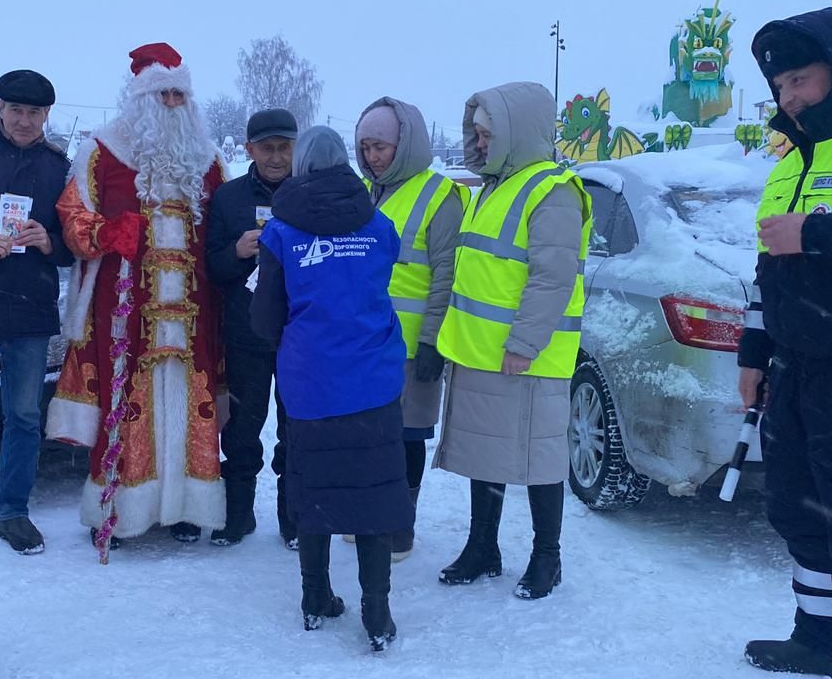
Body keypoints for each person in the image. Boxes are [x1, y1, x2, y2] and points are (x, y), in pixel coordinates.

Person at [736, 7, 832, 679]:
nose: (789, 97)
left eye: (800, 78)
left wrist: (819, 235)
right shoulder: (792, 159)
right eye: (779, 88)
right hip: (798, 372)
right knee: (799, 508)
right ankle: (818, 636)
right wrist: (752, 352)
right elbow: (769, 268)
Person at [46, 43, 227, 551]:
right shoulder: (101, 153)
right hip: (124, 312)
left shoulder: (210, 161)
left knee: (193, 405)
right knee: (126, 404)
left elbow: (223, 231)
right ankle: (119, 510)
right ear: (141, 98)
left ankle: (190, 507)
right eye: (162, 93)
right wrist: (107, 233)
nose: (171, 103)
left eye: (179, 94)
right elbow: (72, 220)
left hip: (195, 315)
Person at [251, 125, 410, 651]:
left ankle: (315, 598)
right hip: (374, 380)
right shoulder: (380, 224)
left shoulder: (280, 232)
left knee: (313, 489)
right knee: (373, 494)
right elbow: (377, 284)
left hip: (312, 382)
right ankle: (378, 612)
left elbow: (265, 316)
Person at [433, 81, 591, 601]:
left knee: (539, 460)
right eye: (475, 134)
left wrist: (523, 343)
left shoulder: (554, 190)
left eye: (487, 134)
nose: (479, 144)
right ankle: (484, 547)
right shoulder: (496, 185)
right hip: (482, 352)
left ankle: (549, 556)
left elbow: (552, 277)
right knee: (487, 455)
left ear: (516, 133)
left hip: (528, 357)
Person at [0, 69, 74, 555]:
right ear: (0, 108)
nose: (25, 120)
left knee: (25, 415)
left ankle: (13, 512)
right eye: (16, 110)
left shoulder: (60, 166)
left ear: (47, 114)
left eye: (34, 112)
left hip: (31, 304)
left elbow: (74, 244)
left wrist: (49, 241)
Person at [354, 97, 465, 561]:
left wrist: (431, 340)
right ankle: (367, 513)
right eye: (366, 148)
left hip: (410, 345)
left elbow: (446, 273)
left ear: (404, 145)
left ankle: (401, 524)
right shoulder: (363, 192)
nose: (373, 157)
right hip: (363, 339)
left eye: (380, 146)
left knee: (406, 435)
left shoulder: (440, 195)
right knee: (367, 433)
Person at [205, 107, 298, 549]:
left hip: (300, 334)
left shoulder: (309, 193)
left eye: (284, 147)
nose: (276, 157)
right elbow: (211, 268)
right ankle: (238, 515)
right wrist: (237, 252)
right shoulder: (228, 198)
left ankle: (294, 517)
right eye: (267, 148)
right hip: (246, 333)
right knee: (241, 429)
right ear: (249, 150)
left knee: (297, 426)